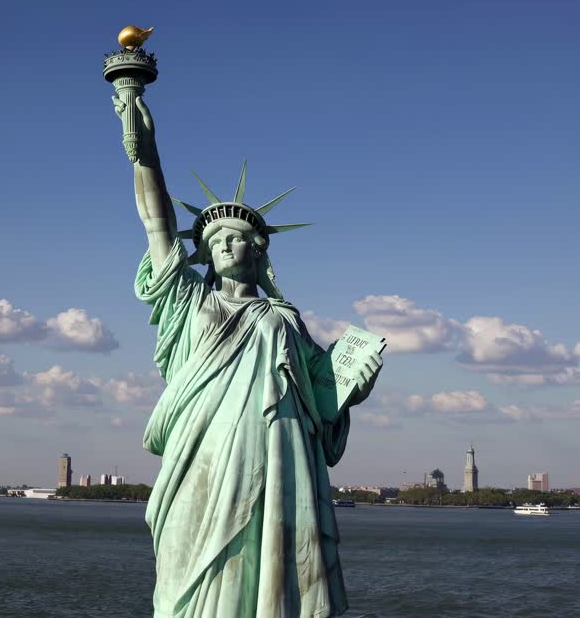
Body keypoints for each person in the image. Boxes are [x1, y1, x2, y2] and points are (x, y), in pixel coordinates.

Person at [114, 92, 383, 618]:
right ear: (206, 255)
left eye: (239, 239)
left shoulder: (283, 318)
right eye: (217, 241)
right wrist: (144, 151)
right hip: (201, 452)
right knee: (185, 568)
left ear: (258, 253)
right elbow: (156, 223)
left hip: (276, 452)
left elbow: (321, 397)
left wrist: (356, 385)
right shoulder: (188, 300)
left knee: (266, 566)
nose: (227, 246)